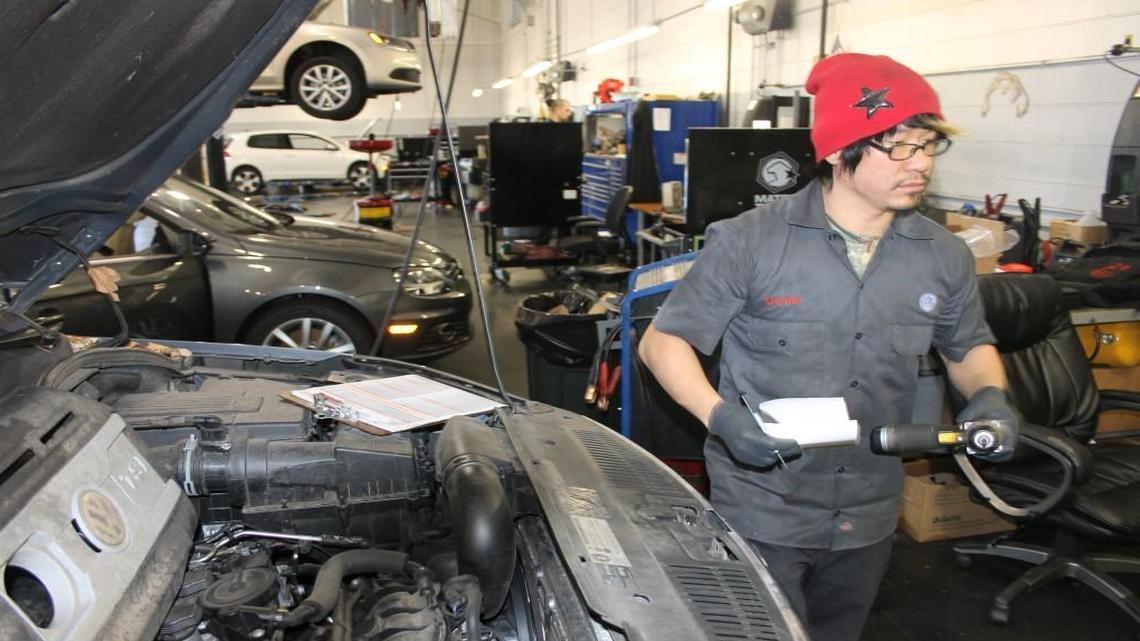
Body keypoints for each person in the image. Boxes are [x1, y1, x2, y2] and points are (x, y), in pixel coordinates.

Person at [638, 53, 1020, 641]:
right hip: (766, 503)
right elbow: (663, 343)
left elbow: (967, 346)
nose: (919, 164)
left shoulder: (943, 256)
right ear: (842, 151)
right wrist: (720, 418)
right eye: (900, 148)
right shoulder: (750, 243)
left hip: (869, 508)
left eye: (927, 147)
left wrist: (990, 395)